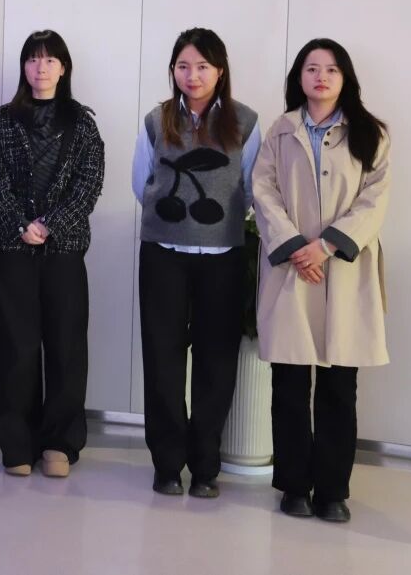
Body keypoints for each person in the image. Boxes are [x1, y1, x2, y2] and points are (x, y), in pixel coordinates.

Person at [252, 39, 390, 524]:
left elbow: (375, 199)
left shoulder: (371, 133)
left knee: (338, 385)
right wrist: (296, 247)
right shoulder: (280, 130)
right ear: (300, 77)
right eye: (312, 68)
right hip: (293, 270)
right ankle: (294, 486)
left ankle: (332, 490)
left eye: (331, 69)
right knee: (290, 382)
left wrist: (326, 246)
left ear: (345, 77)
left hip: (343, 271)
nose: (321, 77)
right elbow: (263, 190)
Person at [132, 27, 260, 498]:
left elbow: (252, 187)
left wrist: (217, 223)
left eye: (203, 66)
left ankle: (206, 466)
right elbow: (141, 181)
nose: (193, 75)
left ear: (220, 71)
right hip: (163, 255)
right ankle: (167, 464)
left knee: (216, 361)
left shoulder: (245, 121)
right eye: (183, 66)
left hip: (222, 257)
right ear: (173, 71)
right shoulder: (157, 119)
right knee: (162, 360)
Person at [0, 30, 104, 478]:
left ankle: (59, 442)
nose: (41, 67)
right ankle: (16, 442)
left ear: (64, 68)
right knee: (15, 347)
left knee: (66, 347)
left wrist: (50, 224)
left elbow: (89, 184)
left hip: (65, 250)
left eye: (51, 60)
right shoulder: (3, 122)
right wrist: (22, 225)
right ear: (24, 67)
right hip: (15, 248)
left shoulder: (82, 123)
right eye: (33, 59)